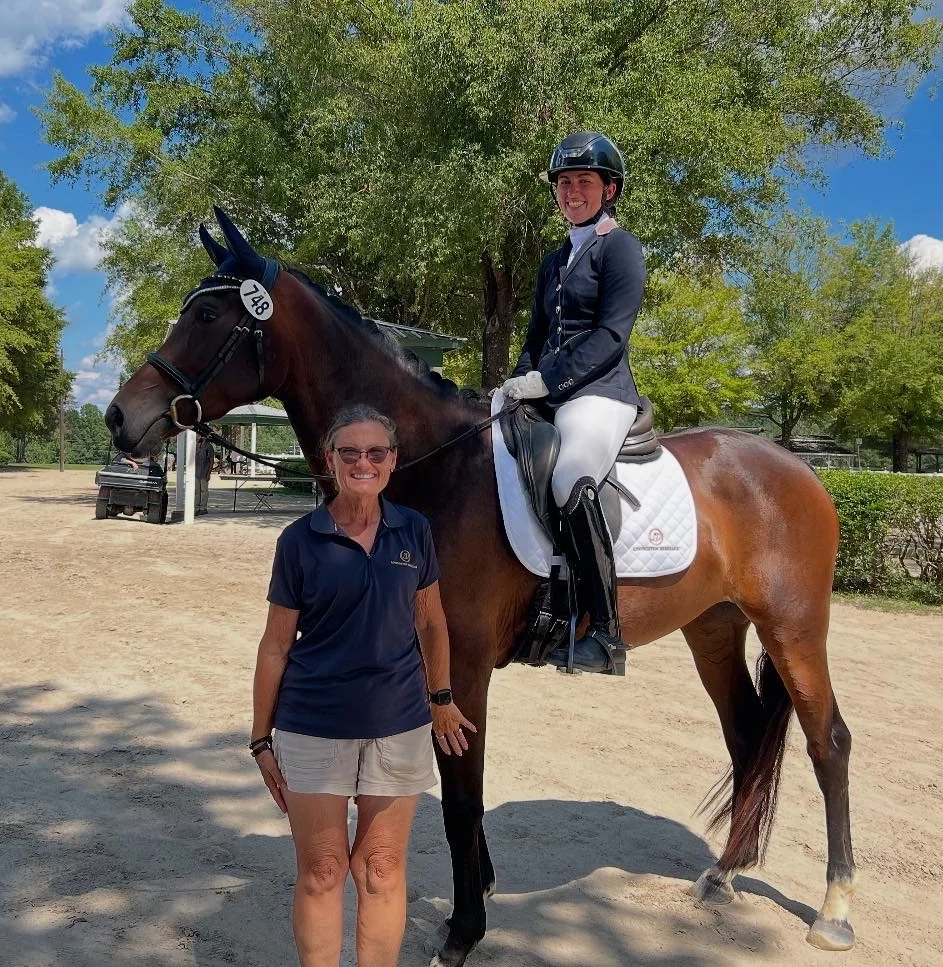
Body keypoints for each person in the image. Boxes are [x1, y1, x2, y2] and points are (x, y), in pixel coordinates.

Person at [250, 404, 476, 967]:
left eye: (375, 453)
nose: (362, 463)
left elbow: (431, 620)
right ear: (330, 460)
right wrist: (260, 739)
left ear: (392, 461)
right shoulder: (300, 540)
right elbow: (276, 644)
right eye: (349, 452)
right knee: (323, 871)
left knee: (379, 870)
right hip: (313, 727)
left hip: (397, 726)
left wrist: (442, 697)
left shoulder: (414, 530)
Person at [502, 131, 645, 676]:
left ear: (609, 190)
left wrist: (547, 382)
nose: (572, 191)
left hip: (600, 394)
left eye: (584, 181)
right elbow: (535, 336)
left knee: (570, 478)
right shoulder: (554, 258)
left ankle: (606, 636)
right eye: (564, 183)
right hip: (549, 389)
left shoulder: (621, 248)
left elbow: (612, 335)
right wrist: (516, 383)